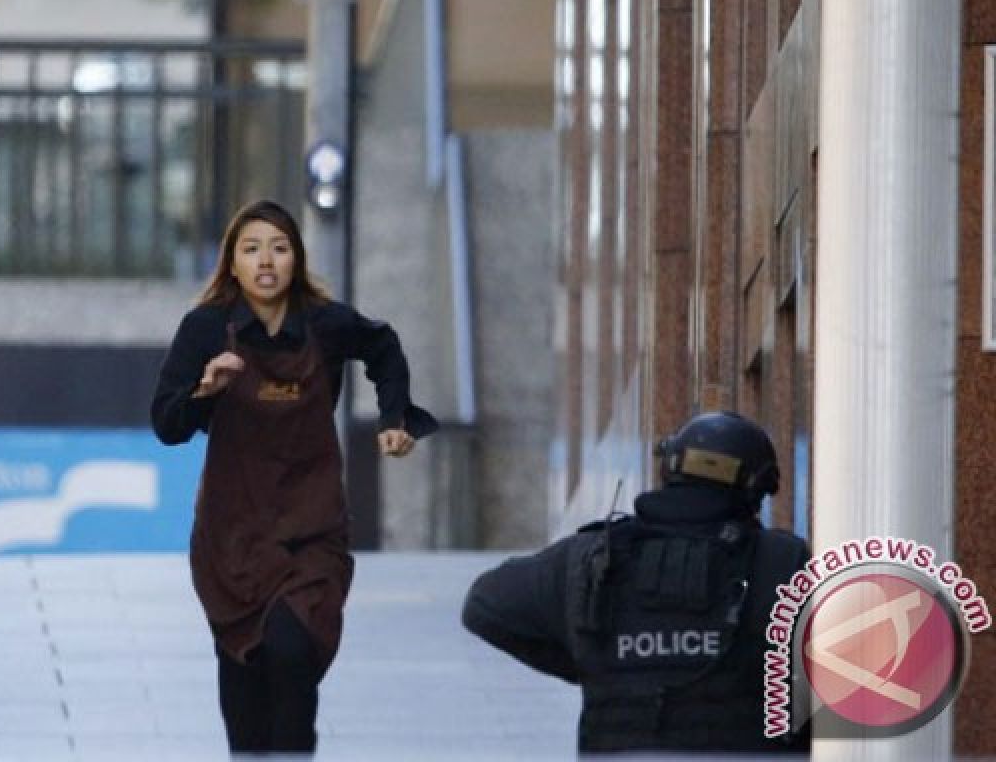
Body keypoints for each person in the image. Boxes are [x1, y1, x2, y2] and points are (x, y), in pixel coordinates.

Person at [151, 199, 438, 754]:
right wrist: (202, 391)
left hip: (312, 528)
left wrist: (394, 417)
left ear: (297, 260)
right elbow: (165, 423)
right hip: (231, 537)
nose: (266, 261)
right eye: (252, 249)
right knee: (244, 674)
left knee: (290, 650)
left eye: (279, 248)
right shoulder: (206, 328)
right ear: (231, 263)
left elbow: (383, 346)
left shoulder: (326, 324)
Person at [462, 411, 811, 754]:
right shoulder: (784, 563)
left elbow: (483, 606)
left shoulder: (593, 558)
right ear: (756, 488)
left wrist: (590, 660)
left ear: (670, 470)